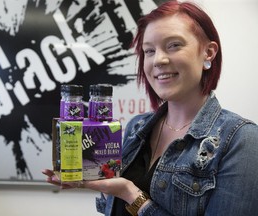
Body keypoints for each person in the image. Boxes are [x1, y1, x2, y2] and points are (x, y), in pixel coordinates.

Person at [42, 0, 258, 215]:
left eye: (174, 45)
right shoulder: (138, 127)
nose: (158, 60)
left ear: (208, 52)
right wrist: (92, 179)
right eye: (149, 51)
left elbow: (128, 194)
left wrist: (130, 194)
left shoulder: (242, 140)